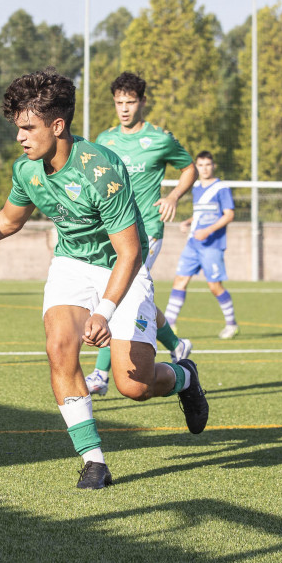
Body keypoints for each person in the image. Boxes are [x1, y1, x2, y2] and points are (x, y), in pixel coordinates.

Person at [0, 68, 208, 490]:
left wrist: (103, 312)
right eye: (18, 128)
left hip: (120, 267)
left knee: (133, 384)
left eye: (28, 128)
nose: (20, 137)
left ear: (58, 125)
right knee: (59, 346)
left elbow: (129, 252)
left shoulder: (101, 170)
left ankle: (185, 377)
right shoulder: (27, 170)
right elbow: (7, 221)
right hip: (71, 265)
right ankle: (93, 459)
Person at [84, 72, 198, 397]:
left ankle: (99, 374)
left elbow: (188, 167)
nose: (124, 108)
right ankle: (177, 345)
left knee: (118, 295)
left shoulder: (160, 139)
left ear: (142, 102)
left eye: (130, 102)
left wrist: (173, 196)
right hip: (113, 231)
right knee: (132, 296)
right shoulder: (104, 141)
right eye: (119, 102)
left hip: (147, 230)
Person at [165, 150, 239, 339]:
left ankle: (231, 324)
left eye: (208, 165)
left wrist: (208, 230)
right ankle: (169, 324)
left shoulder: (221, 188)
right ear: (196, 167)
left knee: (214, 286)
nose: (204, 169)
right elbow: (202, 213)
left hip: (212, 244)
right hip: (193, 244)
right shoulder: (196, 187)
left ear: (213, 166)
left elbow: (229, 214)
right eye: (200, 165)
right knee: (179, 280)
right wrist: (189, 222)